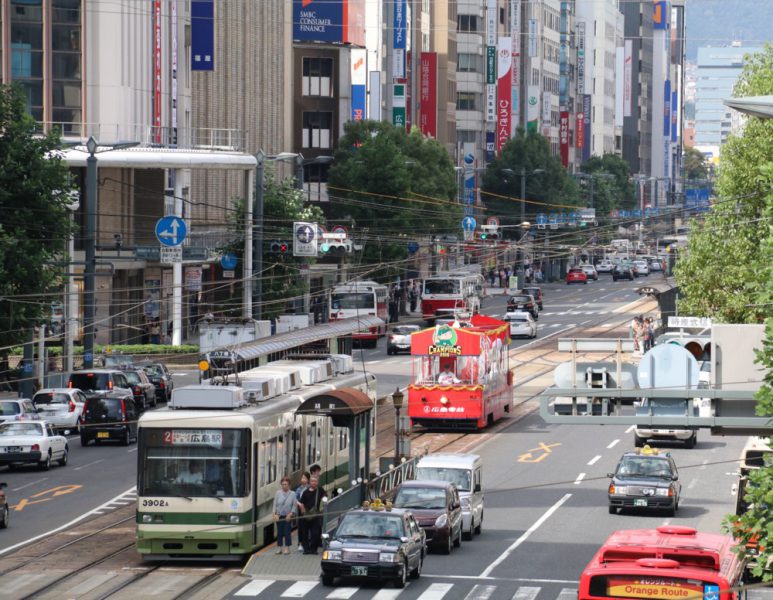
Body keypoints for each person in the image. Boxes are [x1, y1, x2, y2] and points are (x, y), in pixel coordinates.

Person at [299, 475, 327, 554]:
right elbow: (301, 502)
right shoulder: (305, 492)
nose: (313, 483)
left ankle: (313, 549)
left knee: (316, 533)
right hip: (306, 515)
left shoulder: (320, 490)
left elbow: (325, 497)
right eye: (312, 481)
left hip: (315, 515)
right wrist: (302, 508)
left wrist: (324, 501)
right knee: (305, 533)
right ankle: (306, 549)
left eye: (315, 481)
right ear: (309, 482)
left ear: (317, 482)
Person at [273, 477, 297, 555]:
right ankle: (279, 548)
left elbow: (294, 505)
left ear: (289, 485)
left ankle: (287, 548)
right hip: (279, 515)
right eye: (283, 484)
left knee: (287, 532)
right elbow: (275, 504)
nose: (284, 486)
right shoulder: (278, 493)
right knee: (279, 532)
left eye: (286, 484)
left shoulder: (292, 494)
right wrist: (274, 514)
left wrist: (291, 514)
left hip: (287, 516)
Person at [295, 472, 311, 552]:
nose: (303, 480)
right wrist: (300, 505)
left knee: (308, 527)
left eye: (305, 478)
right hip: (300, 510)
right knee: (300, 527)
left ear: (308, 479)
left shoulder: (310, 488)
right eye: (302, 478)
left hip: (308, 510)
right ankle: (300, 543)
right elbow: (295, 499)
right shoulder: (299, 489)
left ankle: (307, 543)